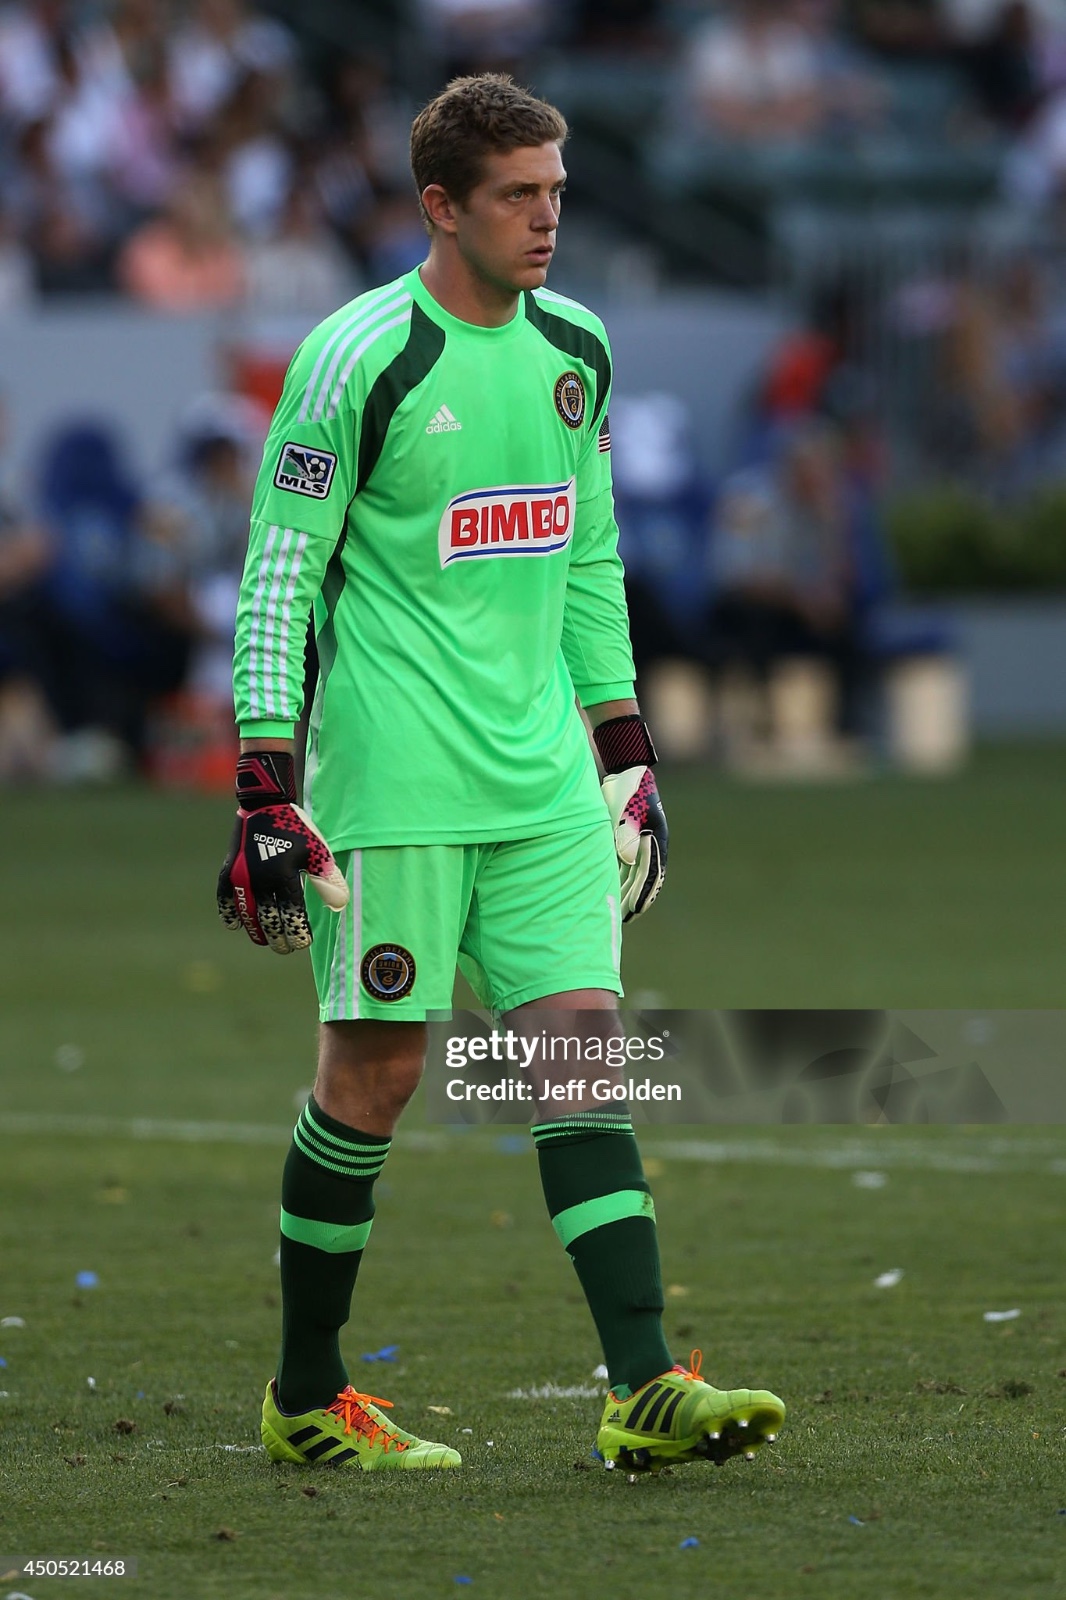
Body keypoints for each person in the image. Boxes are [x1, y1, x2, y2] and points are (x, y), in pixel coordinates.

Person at [216, 72, 785, 1475]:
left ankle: (643, 1386)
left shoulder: (574, 348)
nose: (545, 222)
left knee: (580, 1057)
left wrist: (623, 757)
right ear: (440, 208)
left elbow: (587, 558)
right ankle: (303, 1396)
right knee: (376, 1078)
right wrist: (263, 786)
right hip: (391, 789)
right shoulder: (359, 359)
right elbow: (275, 579)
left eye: (555, 192)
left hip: (538, 788)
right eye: (517, 197)